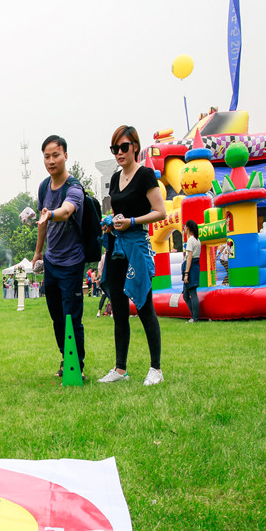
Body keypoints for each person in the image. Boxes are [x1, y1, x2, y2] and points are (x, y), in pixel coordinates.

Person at [98, 125, 166, 386]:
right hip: (116, 246)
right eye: (115, 149)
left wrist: (133, 221)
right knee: (118, 306)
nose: (119, 153)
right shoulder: (115, 178)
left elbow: (160, 212)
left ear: (135, 146)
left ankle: (156, 369)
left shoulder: (146, 175)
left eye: (123, 147)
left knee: (144, 305)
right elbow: (117, 211)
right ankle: (120, 368)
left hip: (137, 244)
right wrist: (111, 222)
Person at [31, 135, 86, 379]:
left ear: (65, 156)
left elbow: (66, 211)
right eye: (47, 156)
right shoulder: (44, 186)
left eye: (56, 155)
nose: (51, 160)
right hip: (51, 262)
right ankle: (66, 358)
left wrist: (51, 213)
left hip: (72, 262)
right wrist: (38, 252)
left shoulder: (73, 187)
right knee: (56, 316)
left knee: (71, 316)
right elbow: (42, 222)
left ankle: (78, 367)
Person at [182, 219, 201, 323]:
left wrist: (186, 273)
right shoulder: (197, 240)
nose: (184, 228)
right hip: (195, 266)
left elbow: (189, 257)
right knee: (186, 294)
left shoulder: (190, 240)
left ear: (188, 228)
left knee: (192, 293)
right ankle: (194, 316)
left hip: (191, 267)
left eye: (184, 227)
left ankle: (195, 317)